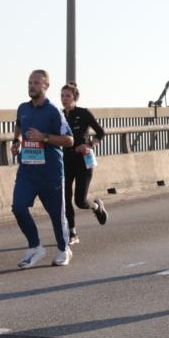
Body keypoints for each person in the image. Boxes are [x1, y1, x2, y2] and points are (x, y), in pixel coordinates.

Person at [10, 70, 74, 268]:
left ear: (46, 86)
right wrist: (17, 141)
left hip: (50, 172)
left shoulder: (53, 111)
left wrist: (44, 137)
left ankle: (64, 248)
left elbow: (69, 140)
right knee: (18, 208)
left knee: (56, 214)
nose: (32, 86)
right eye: (29, 82)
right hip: (27, 171)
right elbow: (19, 126)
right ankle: (35, 246)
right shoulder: (22, 108)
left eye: (36, 83)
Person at [60, 82, 108, 245]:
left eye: (67, 96)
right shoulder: (59, 115)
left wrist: (88, 145)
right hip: (66, 161)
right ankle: (72, 233)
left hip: (84, 162)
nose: (64, 99)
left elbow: (101, 133)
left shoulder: (84, 113)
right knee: (65, 198)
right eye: (62, 96)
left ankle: (97, 207)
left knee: (80, 201)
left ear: (75, 98)